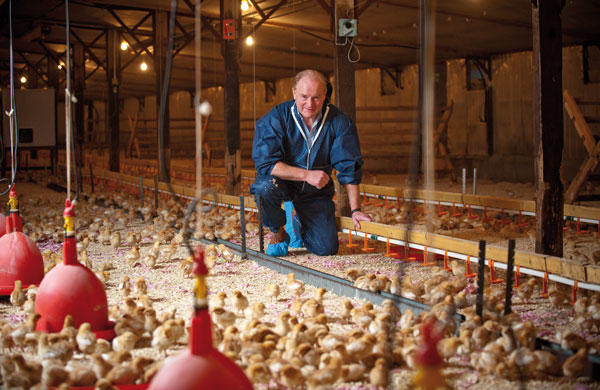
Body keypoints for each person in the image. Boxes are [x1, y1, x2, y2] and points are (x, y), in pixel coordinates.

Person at [250, 69, 371, 257]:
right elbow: (266, 164)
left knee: (326, 249)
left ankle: (297, 219)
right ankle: (277, 231)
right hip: (282, 184)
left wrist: (356, 210)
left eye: (316, 97)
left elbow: (349, 166)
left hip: (314, 191)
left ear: (325, 95)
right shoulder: (277, 118)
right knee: (264, 187)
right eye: (304, 97)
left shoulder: (339, 122)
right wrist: (307, 174)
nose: (309, 104)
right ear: (294, 93)